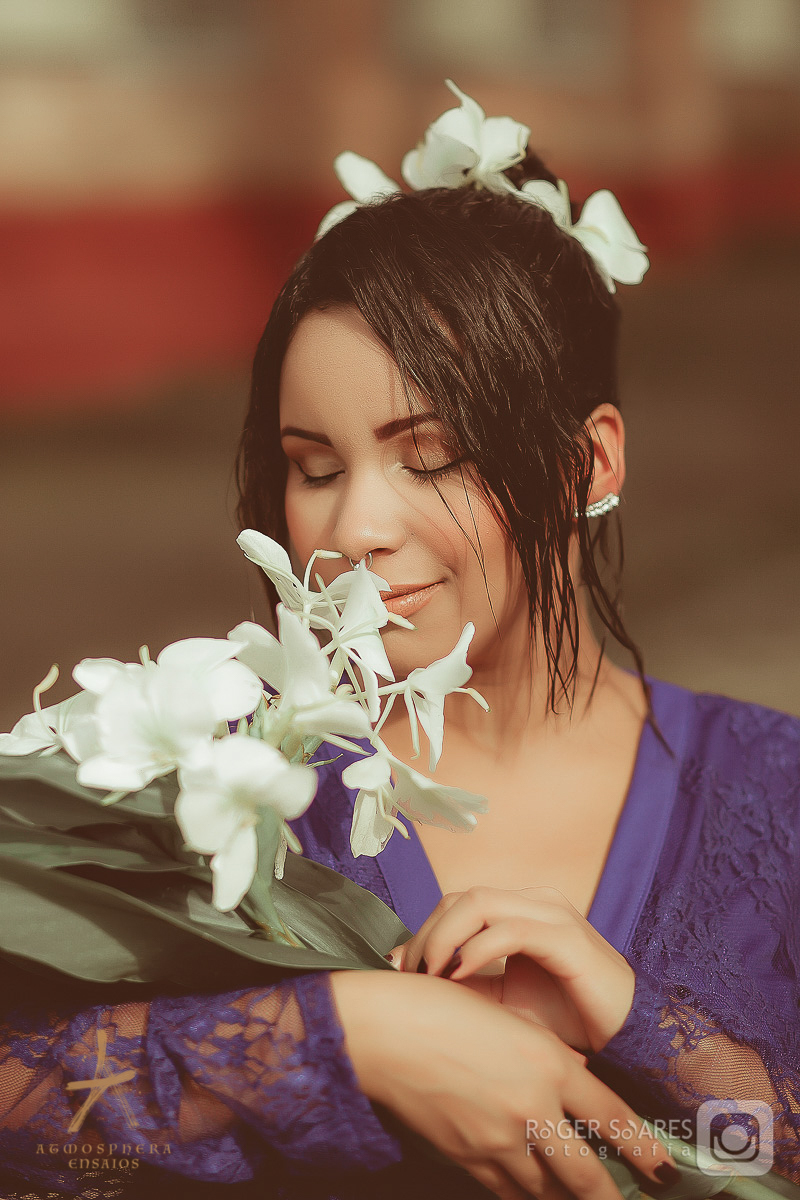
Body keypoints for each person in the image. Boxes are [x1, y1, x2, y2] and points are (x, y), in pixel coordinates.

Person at [2, 83, 799, 1200]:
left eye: (428, 455)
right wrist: (344, 1031)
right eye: (314, 467)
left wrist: (642, 1024)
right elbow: (38, 1126)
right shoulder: (216, 779)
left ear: (588, 467)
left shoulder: (772, 791)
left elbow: (763, 1154)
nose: (353, 529)